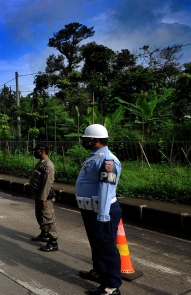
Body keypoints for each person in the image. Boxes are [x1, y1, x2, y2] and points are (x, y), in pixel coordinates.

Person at [76, 124, 122, 295]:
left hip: (102, 211)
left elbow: (105, 188)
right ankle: (99, 272)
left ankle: (111, 286)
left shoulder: (107, 160)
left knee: (106, 247)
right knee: (97, 245)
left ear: (95, 140)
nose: (83, 141)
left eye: (86, 138)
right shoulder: (95, 156)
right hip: (91, 210)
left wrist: (103, 215)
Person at [29, 143, 58, 252]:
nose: (34, 153)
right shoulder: (41, 163)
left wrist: (43, 198)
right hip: (38, 194)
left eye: (36, 150)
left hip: (44, 196)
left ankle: (53, 241)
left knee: (48, 218)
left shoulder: (48, 165)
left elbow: (47, 183)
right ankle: (44, 234)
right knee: (40, 215)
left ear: (42, 151)